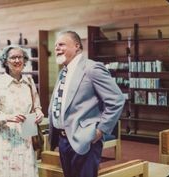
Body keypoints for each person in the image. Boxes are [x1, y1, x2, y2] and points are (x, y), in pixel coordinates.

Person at [48, 31, 125, 177]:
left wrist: (100, 130)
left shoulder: (92, 68)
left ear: (77, 46)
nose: (57, 48)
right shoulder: (63, 72)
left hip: (86, 138)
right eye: (56, 45)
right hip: (63, 140)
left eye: (62, 44)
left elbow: (117, 100)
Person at [0, 45, 44, 177]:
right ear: (5, 61)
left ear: (25, 60)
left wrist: (39, 113)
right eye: (13, 57)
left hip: (26, 139)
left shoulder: (29, 81)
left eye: (20, 57)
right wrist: (9, 117)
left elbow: (37, 106)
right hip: (6, 141)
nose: (17, 60)